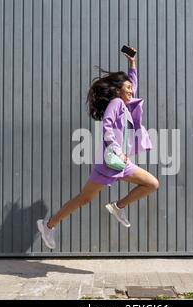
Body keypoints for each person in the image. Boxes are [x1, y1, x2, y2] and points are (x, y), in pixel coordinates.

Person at [37, 47, 159, 249]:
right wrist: (117, 150)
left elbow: (133, 84)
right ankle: (49, 225)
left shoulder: (125, 102)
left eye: (130, 88)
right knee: (84, 199)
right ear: (119, 90)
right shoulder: (117, 103)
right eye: (127, 88)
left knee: (152, 184)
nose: (131, 90)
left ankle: (118, 206)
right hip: (111, 161)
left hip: (120, 163)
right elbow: (107, 126)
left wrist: (133, 65)